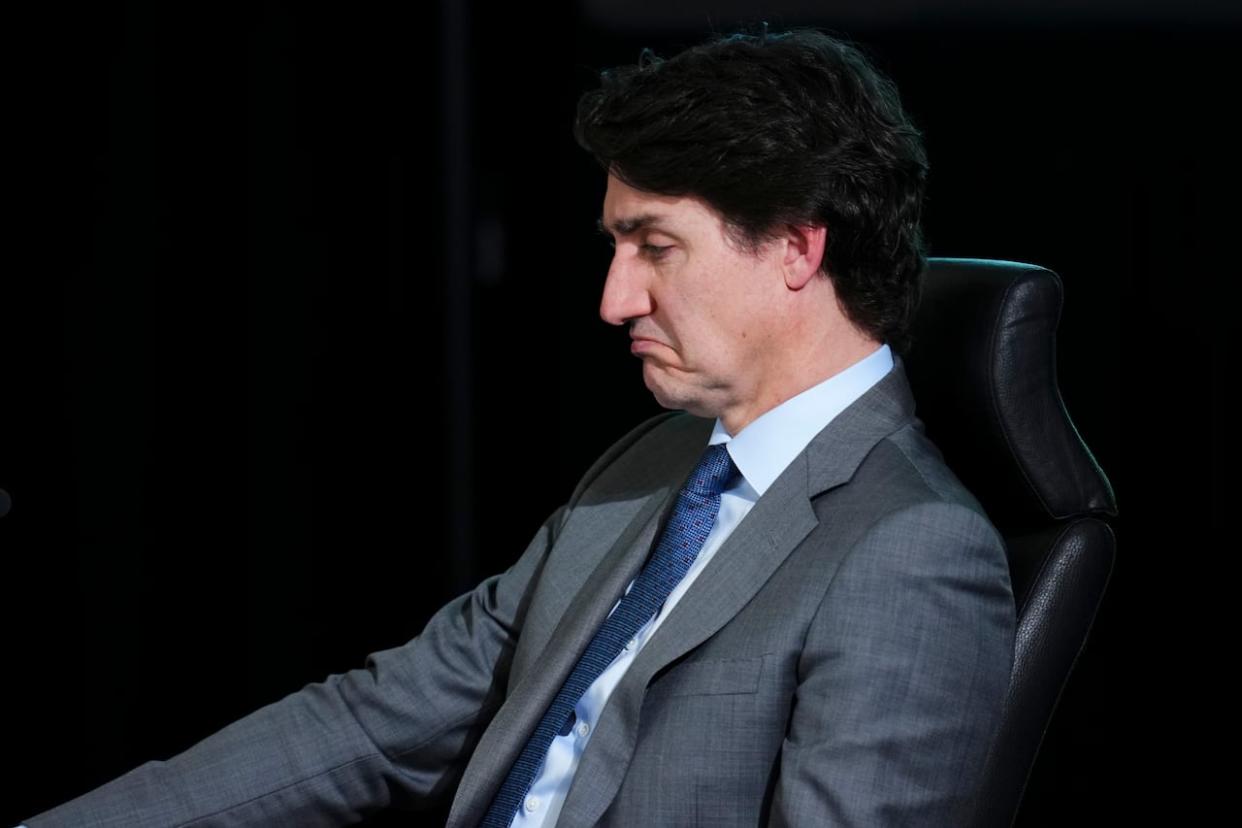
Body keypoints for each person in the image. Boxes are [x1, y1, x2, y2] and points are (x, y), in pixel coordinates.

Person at [22, 26, 1015, 827]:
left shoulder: (913, 550)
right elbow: (380, 721)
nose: (615, 299)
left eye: (654, 247)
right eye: (616, 247)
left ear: (796, 249)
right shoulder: (658, 465)